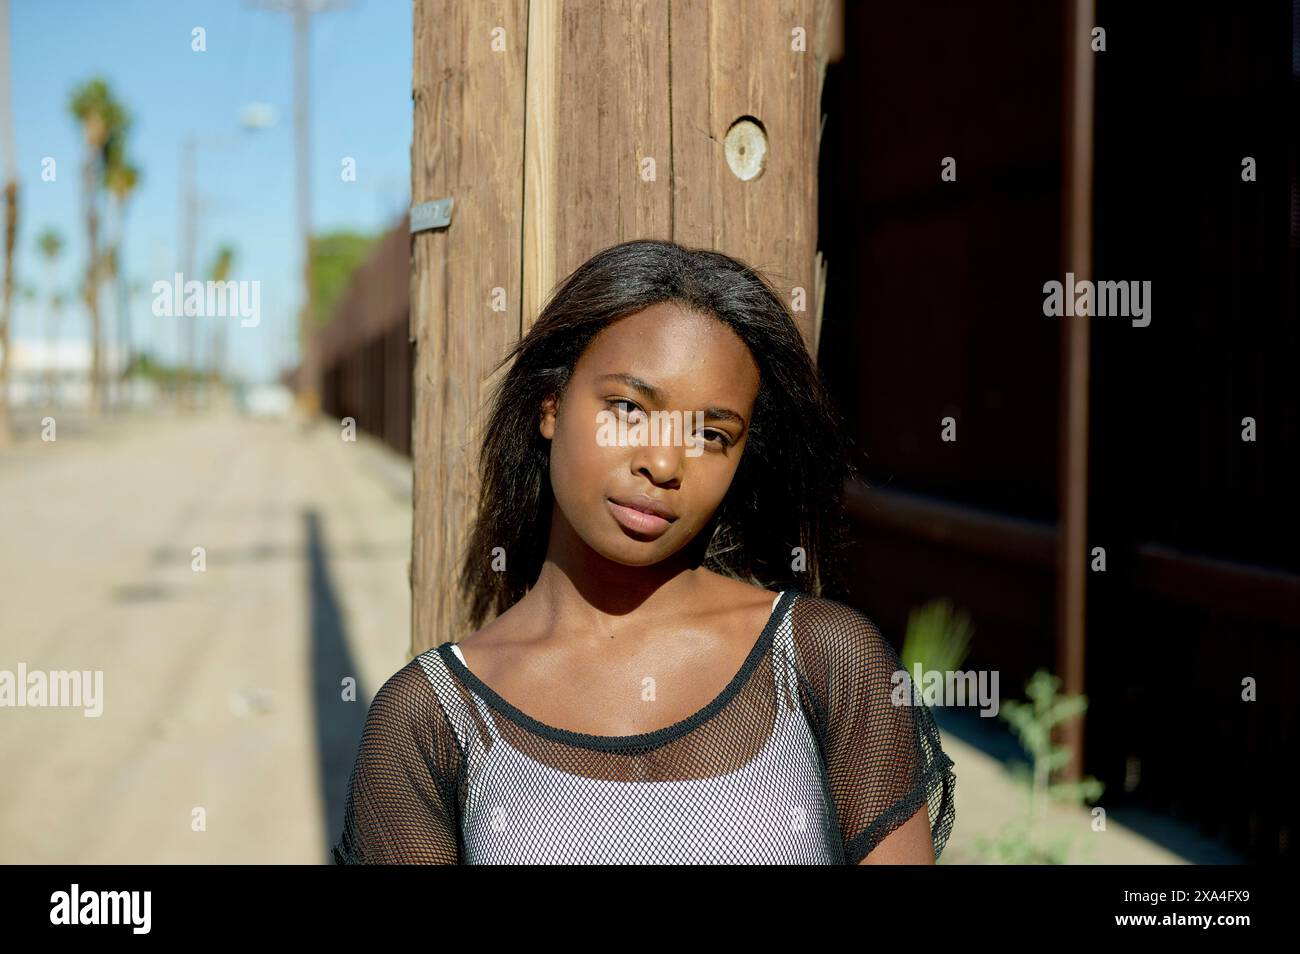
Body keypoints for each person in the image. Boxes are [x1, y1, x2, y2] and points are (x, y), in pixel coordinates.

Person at [332, 238, 957, 864]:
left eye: (712, 435)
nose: (662, 462)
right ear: (551, 404)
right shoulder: (430, 722)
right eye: (629, 408)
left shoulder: (823, 661)